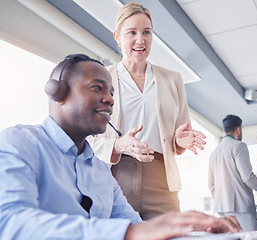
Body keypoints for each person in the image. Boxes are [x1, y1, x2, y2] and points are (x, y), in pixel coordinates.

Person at [0, 54, 241, 240]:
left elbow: (137, 227)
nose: (110, 99)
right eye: (97, 88)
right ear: (58, 92)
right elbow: (10, 223)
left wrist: (191, 229)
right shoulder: (19, 144)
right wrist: (128, 233)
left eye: (111, 92)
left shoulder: (100, 170)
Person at [87, 2, 206, 220]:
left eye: (146, 32)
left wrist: (180, 141)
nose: (140, 40)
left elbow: (180, 134)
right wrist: (117, 144)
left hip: (162, 178)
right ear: (117, 36)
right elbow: (86, 140)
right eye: (131, 32)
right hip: (115, 176)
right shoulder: (101, 78)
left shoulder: (173, 79)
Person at [208, 114, 257, 231]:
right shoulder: (239, 146)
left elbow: (211, 184)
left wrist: (222, 200)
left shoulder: (214, 153)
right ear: (238, 130)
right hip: (241, 207)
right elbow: (248, 177)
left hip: (221, 208)